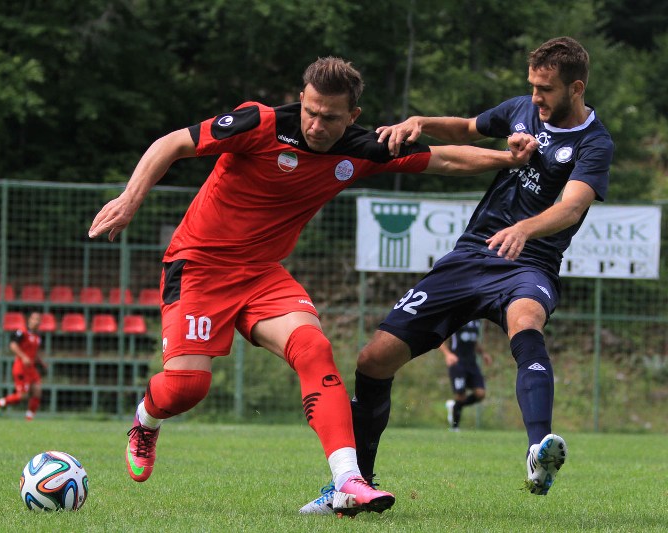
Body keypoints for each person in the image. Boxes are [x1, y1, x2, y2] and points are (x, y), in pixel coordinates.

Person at [88, 56, 536, 517]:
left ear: (353, 116)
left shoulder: (362, 148)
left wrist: (508, 158)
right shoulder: (259, 123)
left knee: (314, 349)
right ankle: (145, 420)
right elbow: (171, 143)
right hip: (200, 267)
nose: (318, 124)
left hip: (263, 274)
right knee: (187, 388)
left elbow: (440, 158)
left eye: (331, 117)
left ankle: (348, 480)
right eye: (311, 112)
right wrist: (129, 199)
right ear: (302, 98)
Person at [301, 37, 613, 513]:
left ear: (576, 87)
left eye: (545, 89)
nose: (535, 98)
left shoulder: (595, 142)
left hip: (528, 261)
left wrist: (525, 229)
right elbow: (468, 128)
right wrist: (420, 122)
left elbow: (572, 206)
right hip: (469, 257)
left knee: (526, 322)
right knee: (373, 361)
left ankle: (537, 449)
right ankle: (353, 486)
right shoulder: (521, 111)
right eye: (531, 86)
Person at [0, 311, 46, 421]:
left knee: (37, 391)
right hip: (21, 368)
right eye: (34, 319)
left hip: (32, 369)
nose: (36, 322)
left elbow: (34, 352)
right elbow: (13, 345)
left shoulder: (37, 337)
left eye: (38, 320)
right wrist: (23, 357)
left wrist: (41, 362)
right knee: (22, 396)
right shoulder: (22, 332)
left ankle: (29, 418)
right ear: (29, 320)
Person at [440, 320, 492, 431]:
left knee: (480, 393)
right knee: (460, 396)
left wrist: (483, 354)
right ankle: (454, 427)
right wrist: (447, 354)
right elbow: (440, 338)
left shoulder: (476, 320)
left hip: (471, 362)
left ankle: (454, 406)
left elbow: (473, 340)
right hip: (457, 362)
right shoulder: (455, 317)